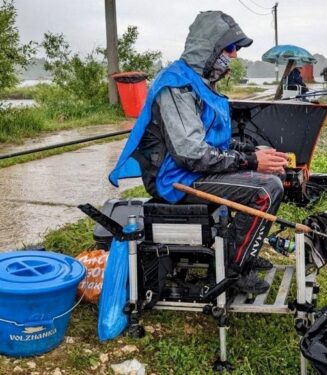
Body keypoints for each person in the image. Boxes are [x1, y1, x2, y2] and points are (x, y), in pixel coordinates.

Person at [109, 11, 289, 294]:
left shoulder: (200, 84)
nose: (234, 56)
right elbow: (191, 154)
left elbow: (218, 141)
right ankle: (233, 270)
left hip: (195, 170)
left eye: (236, 50)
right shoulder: (176, 85)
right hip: (176, 178)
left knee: (272, 176)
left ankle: (243, 253)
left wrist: (256, 152)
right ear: (212, 48)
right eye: (230, 48)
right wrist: (253, 161)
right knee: (266, 190)